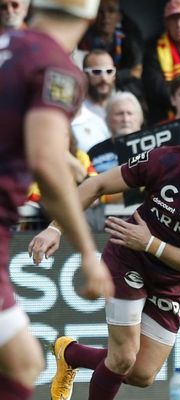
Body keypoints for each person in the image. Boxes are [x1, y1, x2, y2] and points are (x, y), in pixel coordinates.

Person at [28, 105, 180, 400]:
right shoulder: (165, 160)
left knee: (141, 374)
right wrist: (55, 228)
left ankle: (70, 354)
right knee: (122, 358)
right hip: (129, 258)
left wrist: (151, 243)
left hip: (171, 279)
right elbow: (97, 184)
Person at [0, 1, 115, 399]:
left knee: (22, 362)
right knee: (22, 364)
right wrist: (86, 251)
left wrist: (67, 159)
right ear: (90, 17)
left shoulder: (6, 44)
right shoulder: (56, 67)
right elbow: (45, 164)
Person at [81, 49, 117, 119]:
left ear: (114, 76)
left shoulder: (123, 108)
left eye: (109, 71)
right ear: (84, 75)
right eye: (97, 72)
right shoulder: (77, 113)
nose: (104, 78)